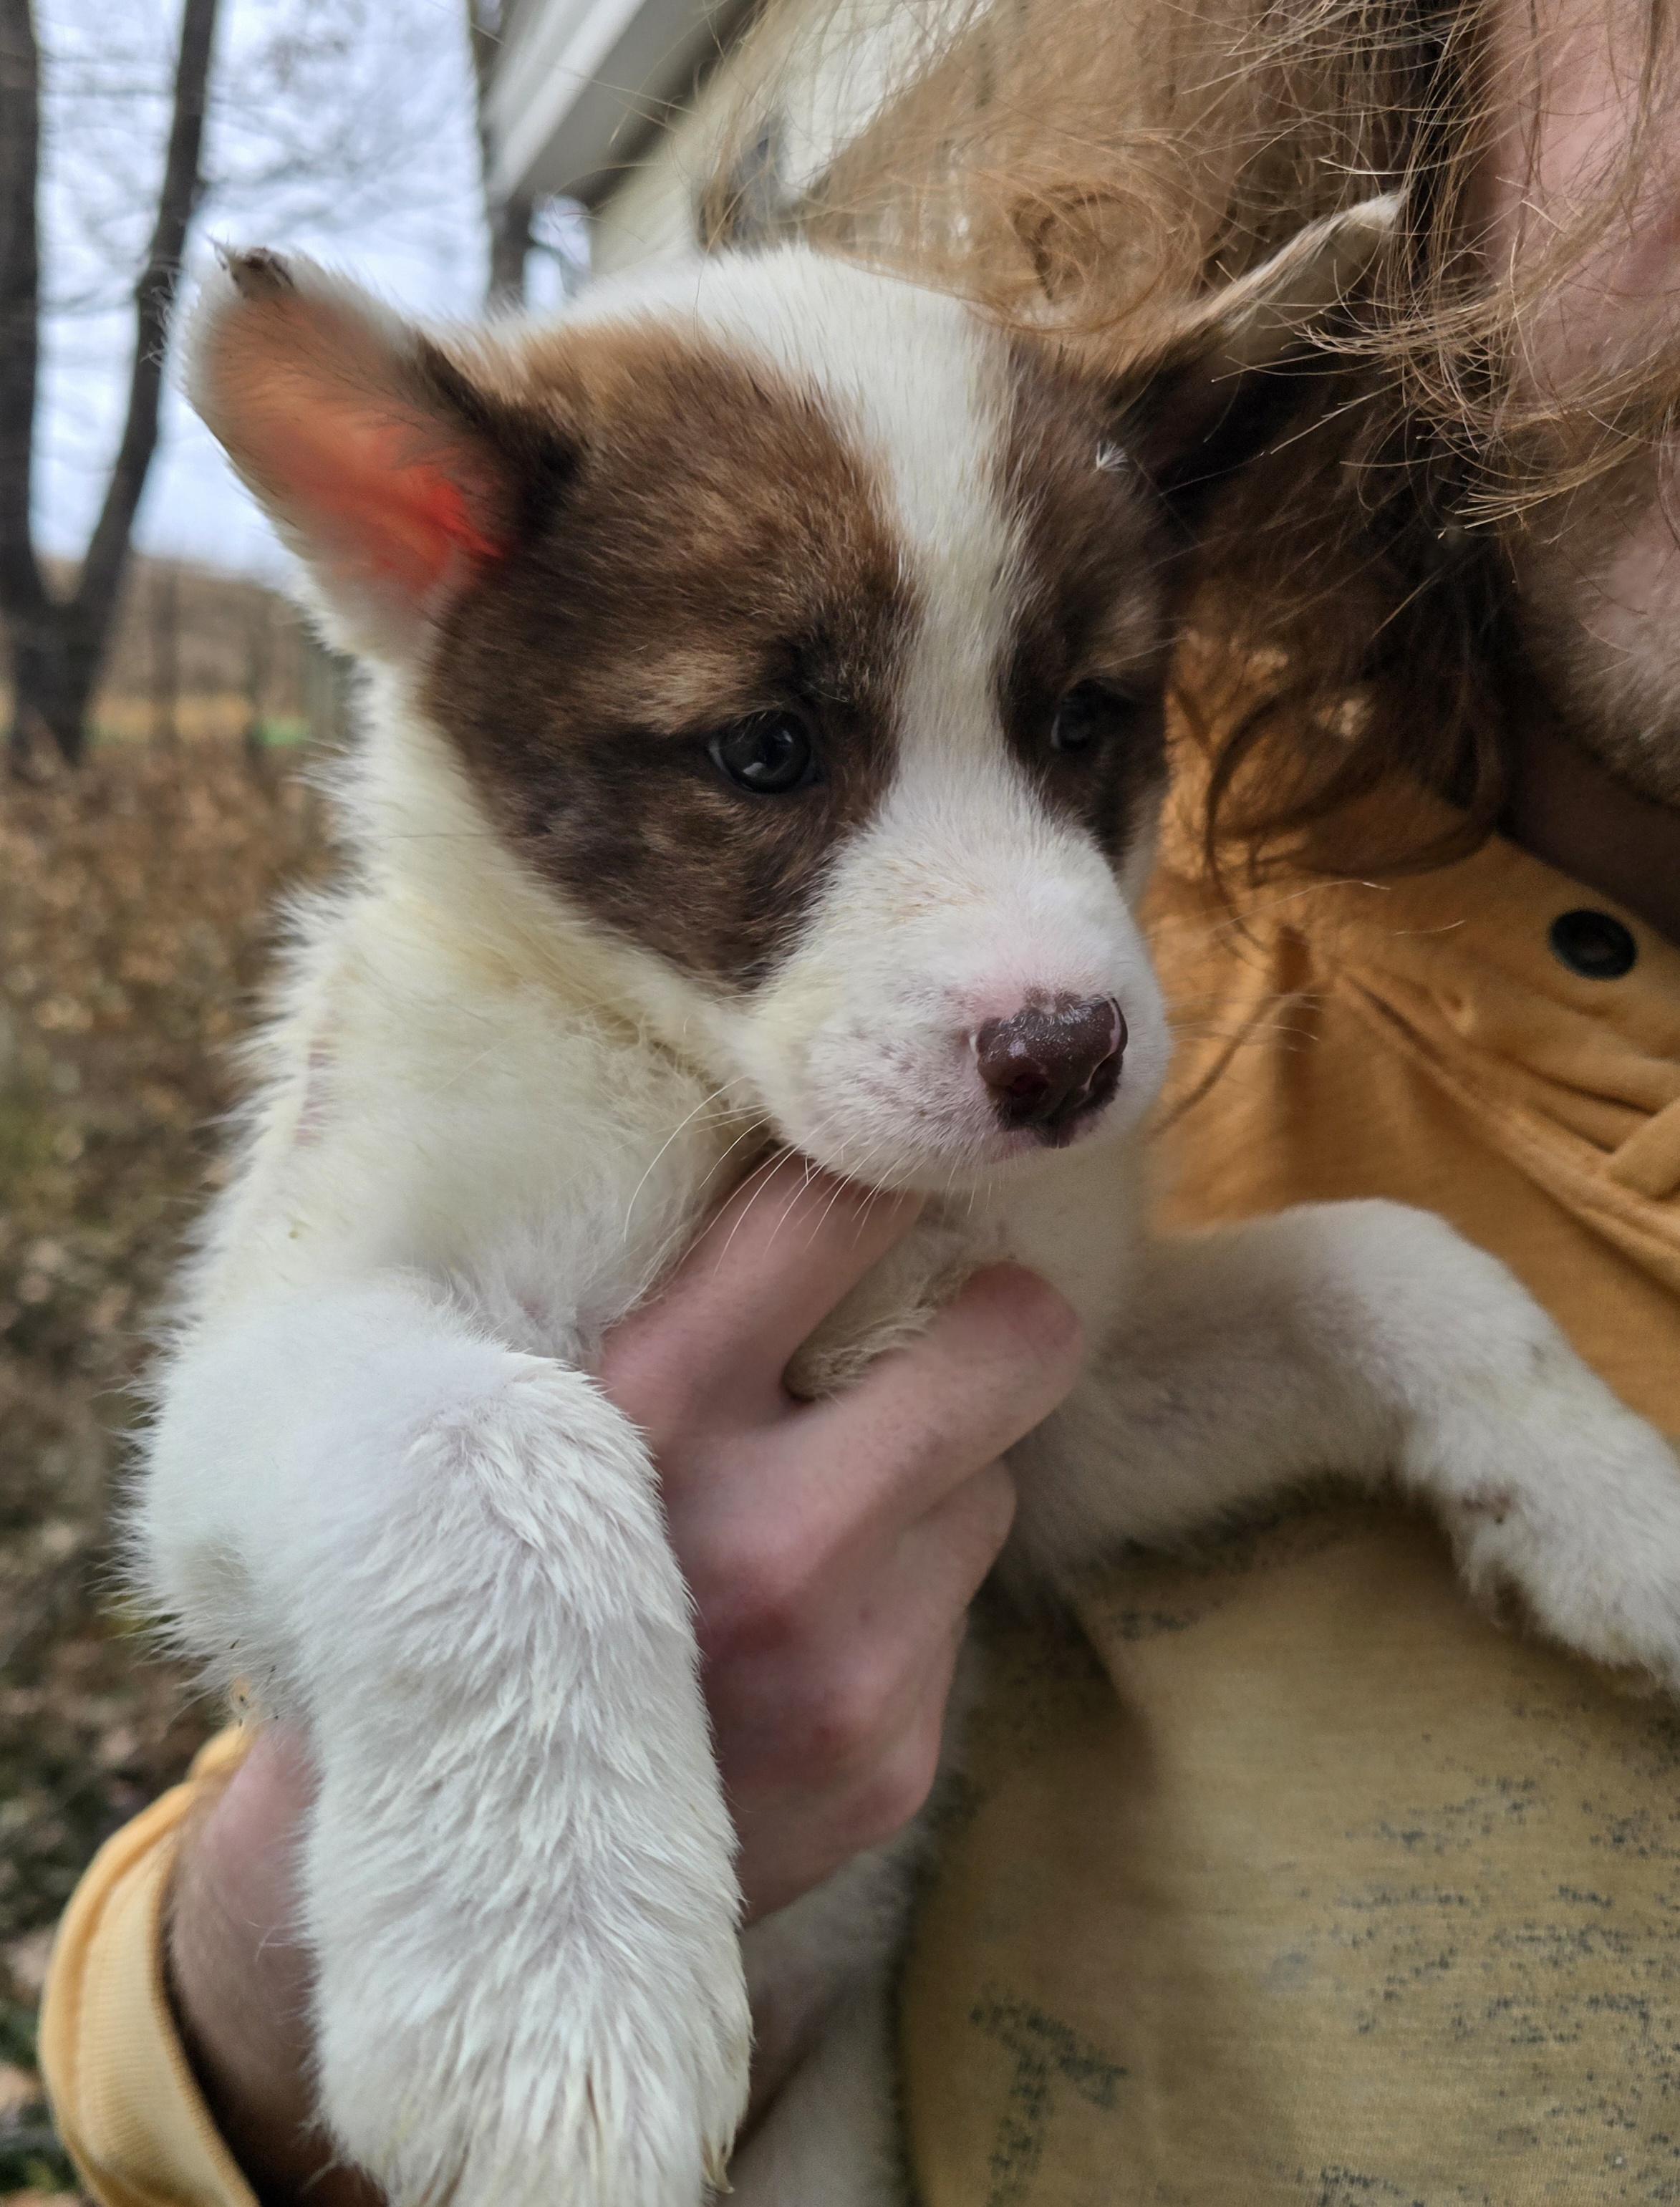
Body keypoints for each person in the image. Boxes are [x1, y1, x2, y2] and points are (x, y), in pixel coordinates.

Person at [39, 0, 1680, 2196]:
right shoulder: (456, 1002)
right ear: (412, 534)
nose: (1045, 971)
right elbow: (267, 1440)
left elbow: (1054, 1425)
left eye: (1082, 728)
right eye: (767, 754)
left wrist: (1420, 1344)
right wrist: (301, 1954)